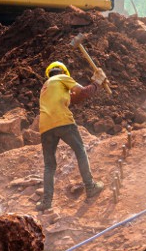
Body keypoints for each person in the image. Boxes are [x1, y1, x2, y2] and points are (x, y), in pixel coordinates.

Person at [37, 61, 107, 211]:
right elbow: (84, 92)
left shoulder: (46, 87)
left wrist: (94, 82)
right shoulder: (62, 78)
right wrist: (97, 82)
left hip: (45, 127)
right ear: (63, 72)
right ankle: (90, 186)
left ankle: (46, 202)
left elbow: (75, 98)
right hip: (63, 121)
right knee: (80, 151)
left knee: (50, 165)